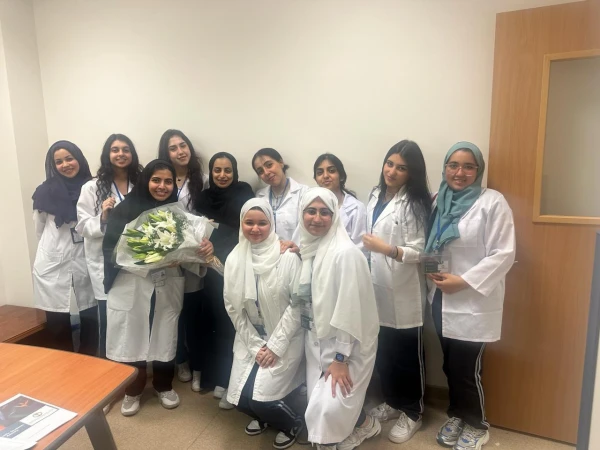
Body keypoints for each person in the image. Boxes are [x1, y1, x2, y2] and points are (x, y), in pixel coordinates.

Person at [102, 159, 213, 417]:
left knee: (165, 331)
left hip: (167, 282)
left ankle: (164, 385)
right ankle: (133, 389)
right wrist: (146, 258)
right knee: (133, 334)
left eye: (168, 181)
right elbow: (110, 251)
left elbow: (191, 248)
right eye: (156, 180)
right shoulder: (124, 210)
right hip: (132, 283)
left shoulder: (178, 214)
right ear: (146, 181)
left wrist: (202, 249)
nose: (162, 186)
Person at [425, 142, 515, 450]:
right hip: (440, 298)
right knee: (449, 365)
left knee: (467, 370)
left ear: (478, 170)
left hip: (474, 300)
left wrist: (463, 281)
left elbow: (503, 253)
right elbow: (431, 243)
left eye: (468, 166)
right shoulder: (437, 200)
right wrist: (430, 270)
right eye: (453, 165)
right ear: (445, 168)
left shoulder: (493, 202)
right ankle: (457, 415)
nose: (459, 172)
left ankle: (477, 424)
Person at [297, 188, 380, 450]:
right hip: (318, 339)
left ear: (335, 216)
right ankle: (363, 423)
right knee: (319, 404)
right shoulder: (309, 249)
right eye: (311, 211)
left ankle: (358, 429)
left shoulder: (345, 253)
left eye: (325, 212)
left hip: (349, 344)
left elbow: (350, 310)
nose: (317, 218)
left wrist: (341, 359)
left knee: (327, 410)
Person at [362, 140, 432, 444]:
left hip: (404, 293)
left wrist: (388, 249)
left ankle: (413, 412)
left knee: (407, 357)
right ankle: (392, 402)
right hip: (376, 288)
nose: (391, 171)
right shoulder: (375, 195)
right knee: (385, 352)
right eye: (389, 164)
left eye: (401, 168)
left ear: (411, 173)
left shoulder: (415, 204)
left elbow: (422, 251)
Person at [224, 198, 305, 450]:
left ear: (272, 224)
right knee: (238, 399)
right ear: (241, 224)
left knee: (261, 400)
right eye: (249, 222)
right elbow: (232, 307)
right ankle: (264, 417)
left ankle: (293, 422)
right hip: (251, 337)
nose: (255, 229)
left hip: (285, 338)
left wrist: (275, 346)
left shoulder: (287, 257)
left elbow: (297, 305)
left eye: (262, 223)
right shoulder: (235, 258)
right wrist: (255, 346)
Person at [194, 152, 254, 408]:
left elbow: (248, 229)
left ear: (235, 171)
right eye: (217, 170)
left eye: (227, 170)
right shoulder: (203, 197)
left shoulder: (244, 193)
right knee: (212, 321)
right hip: (209, 268)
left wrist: (220, 248)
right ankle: (214, 376)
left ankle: (230, 379)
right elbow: (196, 230)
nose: (222, 175)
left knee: (232, 323)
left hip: (237, 266)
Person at [76, 134, 142, 359]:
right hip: (106, 263)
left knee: (134, 316)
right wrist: (103, 217)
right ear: (107, 154)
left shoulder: (141, 184)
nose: (121, 154)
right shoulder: (91, 187)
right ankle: (108, 367)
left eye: (126, 149)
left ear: (132, 154)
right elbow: (83, 226)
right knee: (110, 319)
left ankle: (132, 366)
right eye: (115, 150)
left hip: (135, 262)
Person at [32, 140, 97, 355]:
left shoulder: (93, 188)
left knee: (91, 314)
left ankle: (89, 362)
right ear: (53, 166)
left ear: (79, 159)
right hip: (53, 258)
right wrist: (55, 249)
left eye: (69, 158)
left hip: (86, 256)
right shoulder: (44, 192)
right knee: (57, 320)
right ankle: (63, 365)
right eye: (58, 162)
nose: (65, 165)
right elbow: (39, 228)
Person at [158, 129, 210, 390]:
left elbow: (208, 216)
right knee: (172, 313)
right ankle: (181, 361)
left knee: (192, 312)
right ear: (166, 153)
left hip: (193, 256)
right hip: (168, 259)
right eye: (173, 148)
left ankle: (199, 365)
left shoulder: (203, 180)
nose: (180, 151)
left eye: (183, 145)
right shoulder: (161, 179)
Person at [253, 148, 307, 242]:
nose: (266, 172)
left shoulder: (304, 193)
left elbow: (307, 231)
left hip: (296, 249)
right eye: (260, 171)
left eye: (269, 165)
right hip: (267, 249)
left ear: (281, 163)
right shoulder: (259, 196)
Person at [313, 153, 367, 248]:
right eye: (320, 172)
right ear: (316, 179)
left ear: (341, 176)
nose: (325, 176)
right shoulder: (310, 204)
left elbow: (360, 248)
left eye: (331, 171)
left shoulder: (356, 208)